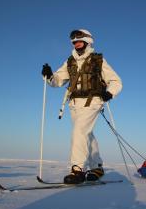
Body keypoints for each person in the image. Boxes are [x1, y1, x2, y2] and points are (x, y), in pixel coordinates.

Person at [41, 29, 122, 184]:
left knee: (79, 131)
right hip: (74, 104)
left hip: (93, 101)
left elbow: (116, 81)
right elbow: (57, 80)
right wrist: (49, 75)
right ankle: (97, 167)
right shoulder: (70, 61)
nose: (76, 43)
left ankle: (77, 169)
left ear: (88, 42)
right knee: (86, 134)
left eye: (79, 40)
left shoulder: (98, 60)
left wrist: (109, 93)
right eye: (74, 41)